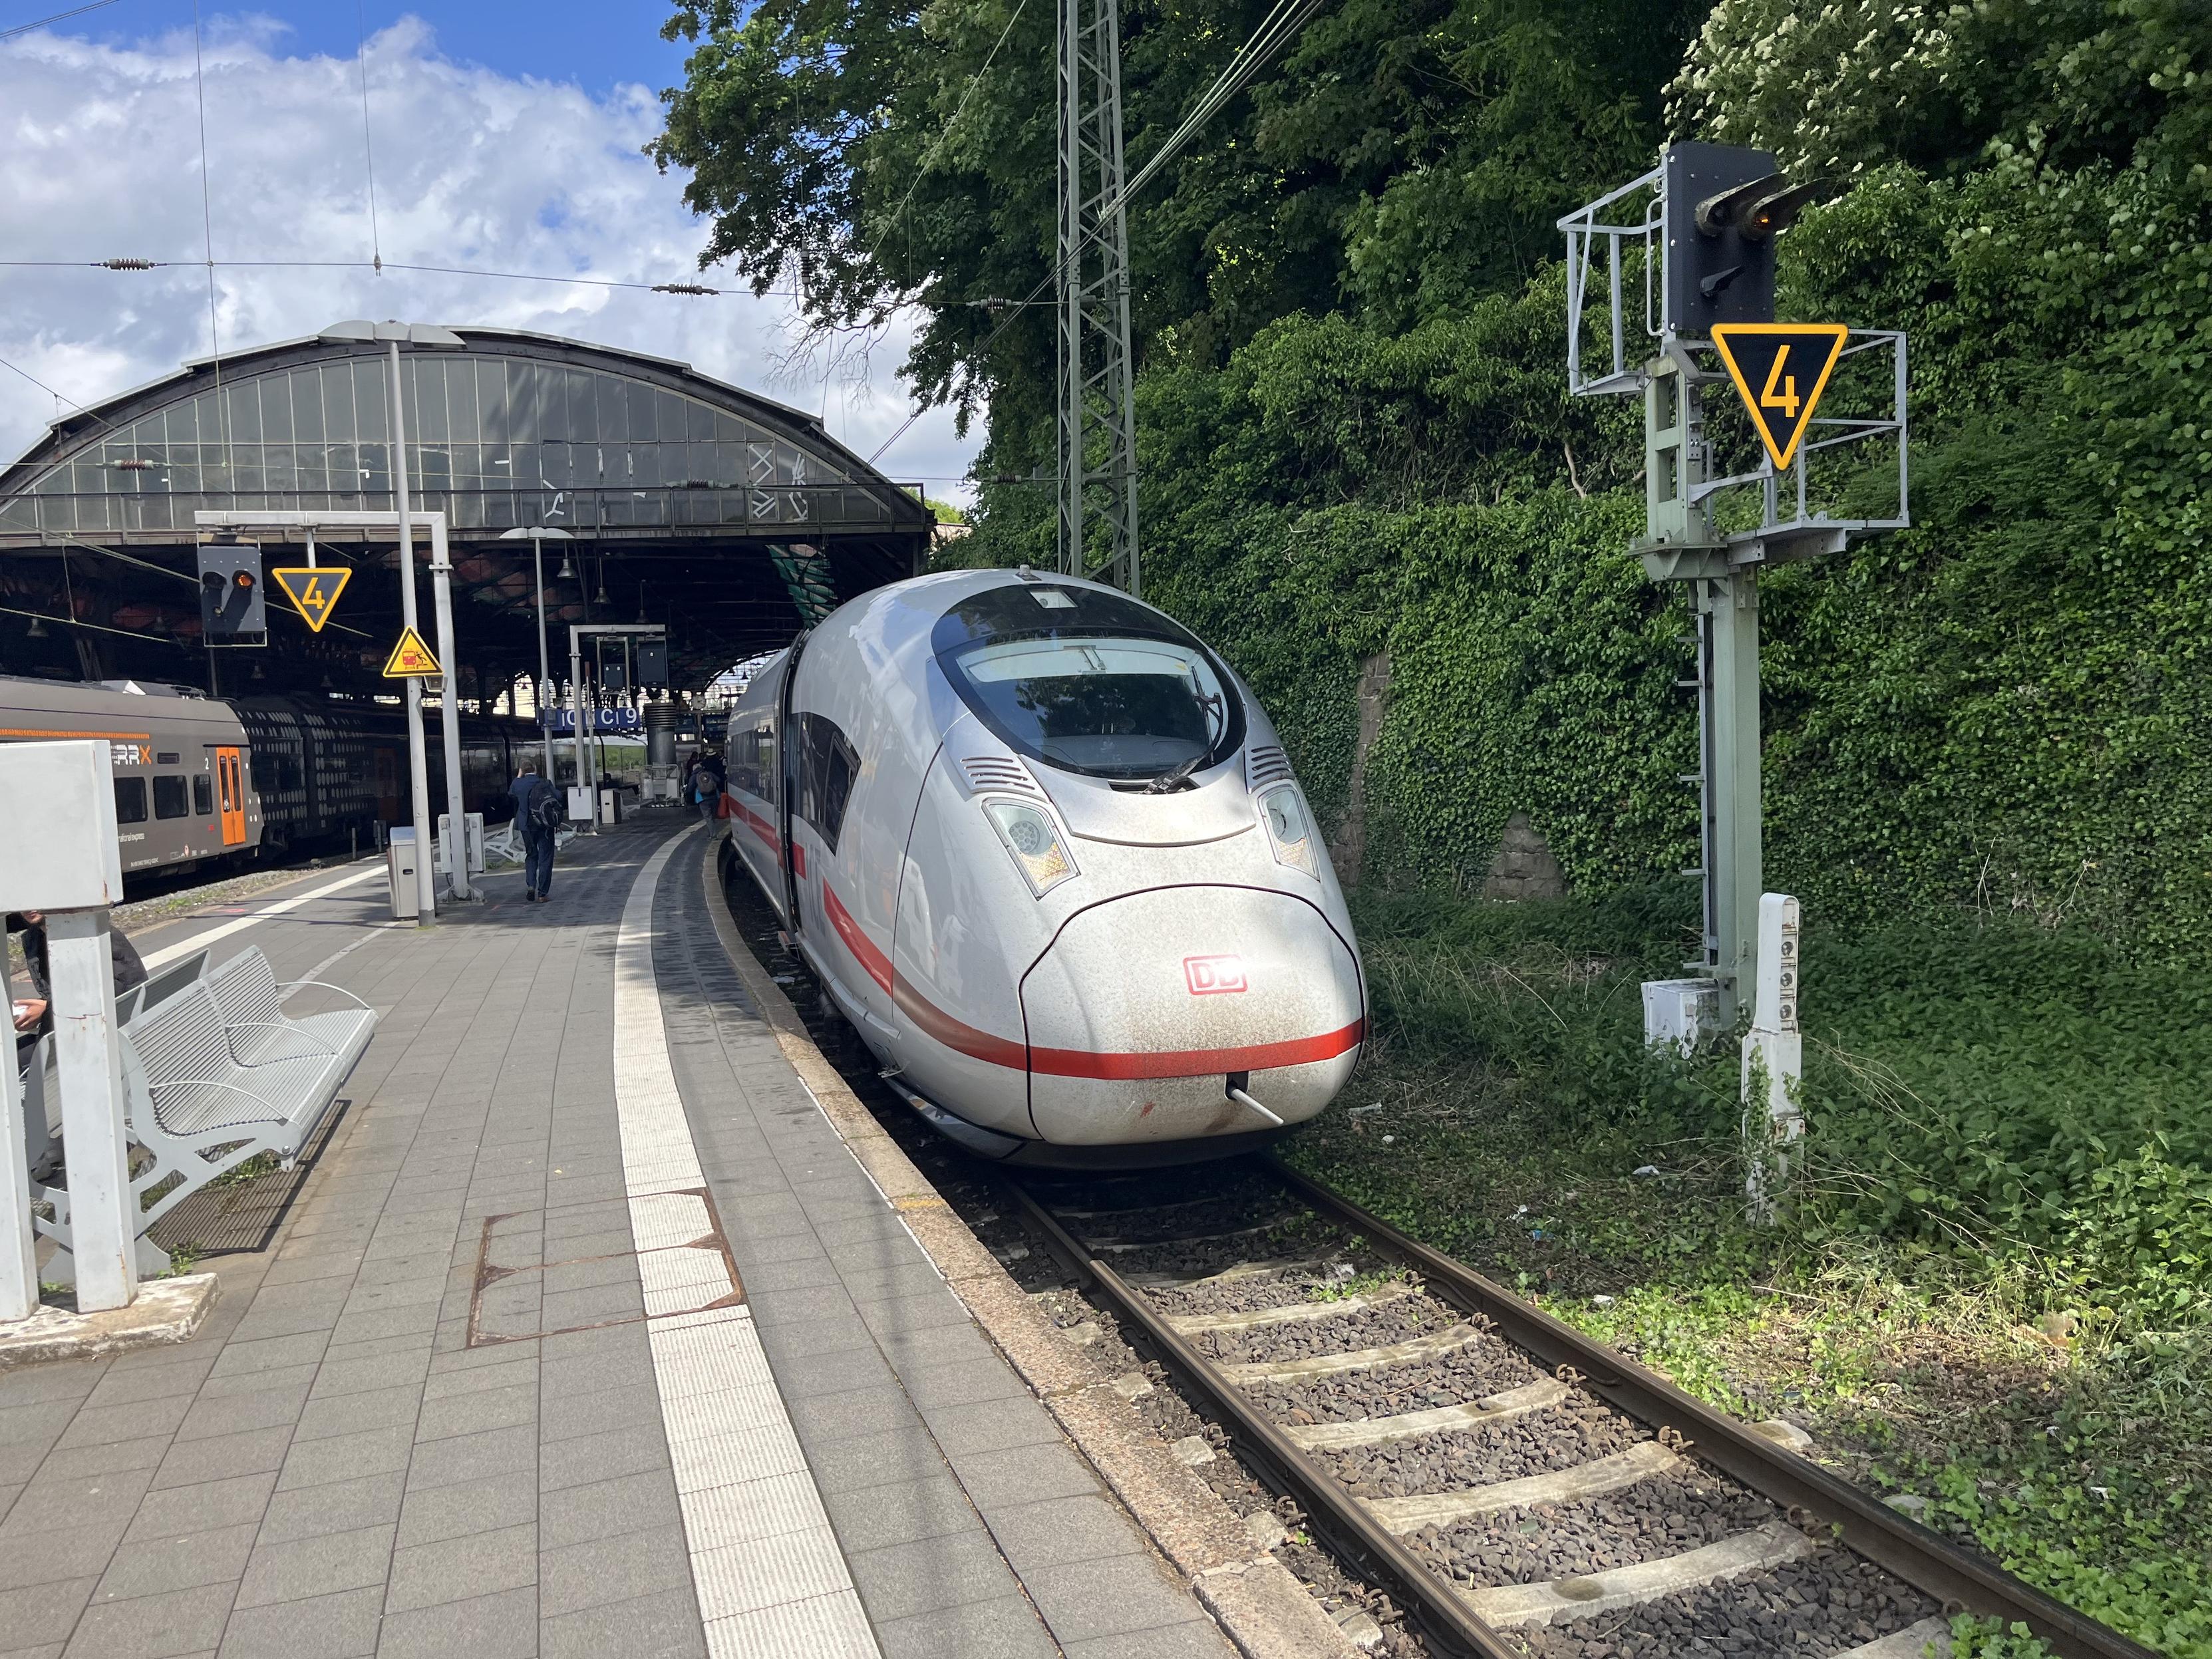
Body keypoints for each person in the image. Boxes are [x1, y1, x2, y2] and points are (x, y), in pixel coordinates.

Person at [9, 909, 146, 1053]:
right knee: (11, 1053)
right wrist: (37, 1010)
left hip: (105, 1032)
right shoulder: (35, 939)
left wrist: (47, 1008)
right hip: (73, 1027)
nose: (28, 907)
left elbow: (121, 989)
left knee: (16, 1061)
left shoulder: (90, 933)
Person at [508, 755, 564, 903]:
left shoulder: (518, 784)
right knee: (546, 858)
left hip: (526, 826)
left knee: (531, 855)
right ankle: (542, 894)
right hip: (544, 826)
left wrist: (519, 776)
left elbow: (511, 793)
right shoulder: (545, 783)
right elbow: (559, 796)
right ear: (535, 768)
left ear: (522, 770)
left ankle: (531, 885)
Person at [693, 748, 726, 826]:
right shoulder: (718, 762)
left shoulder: (704, 763)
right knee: (714, 811)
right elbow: (720, 777)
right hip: (714, 788)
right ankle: (714, 819)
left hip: (703, 793)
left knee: (708, 816)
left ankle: (712, 829)